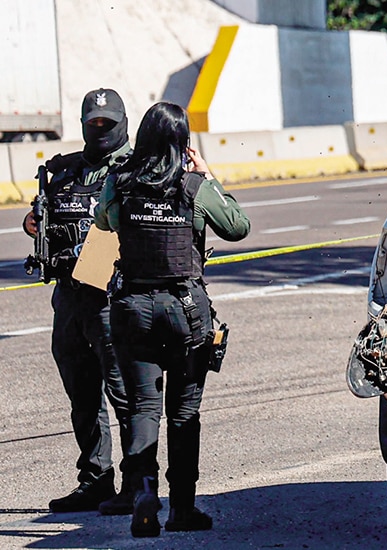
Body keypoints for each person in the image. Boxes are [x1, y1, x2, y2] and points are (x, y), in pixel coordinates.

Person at [93, 101, 250, 537]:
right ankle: (183, 508)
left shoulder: (120, 182)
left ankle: (144, 488)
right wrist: (209, 175)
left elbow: (104, 222)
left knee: (144, 407)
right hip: (184, 310)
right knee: (184, 411)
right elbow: (237, 226)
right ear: (182, 142)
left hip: (132, 309)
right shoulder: (192, 185)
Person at [22, 88, 136, 515]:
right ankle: (95, 480)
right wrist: (33, 222)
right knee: (82, 395)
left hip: (113, 297)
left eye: (108, 124)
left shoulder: (137, 169)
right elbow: (46, 215)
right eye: (94, 124)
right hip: (68, 298)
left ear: (123, 122)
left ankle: (136, 483)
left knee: (123, 393)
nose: (101, 130)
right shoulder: (65, 170)